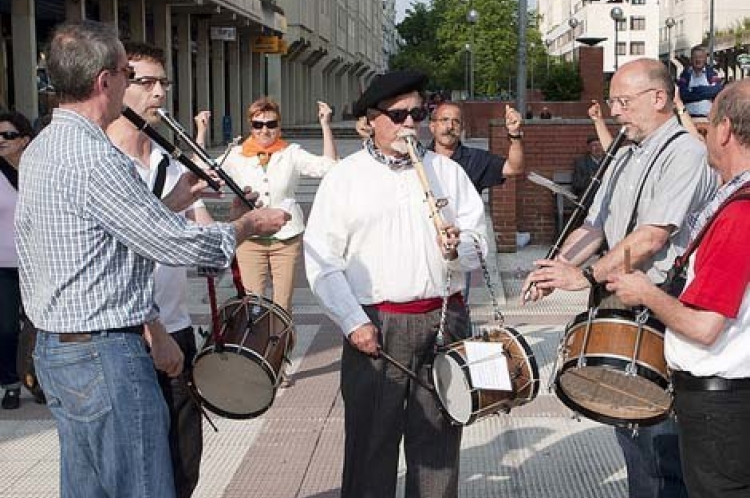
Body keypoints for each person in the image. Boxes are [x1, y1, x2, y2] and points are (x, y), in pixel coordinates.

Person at [15, 21, 289, 498]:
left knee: (88, 489)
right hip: (105, 354)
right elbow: (175, 246)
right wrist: (246, 226)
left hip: (61, 349)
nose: (144, 88)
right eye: (129, 74)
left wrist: (174, 202)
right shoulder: (95, 157)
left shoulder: (43, 147)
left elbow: (104, 246)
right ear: (105, 82)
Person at [521, 58, 717, 498]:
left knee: (659, 440)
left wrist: (585, 275)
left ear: (659, 99)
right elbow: (594, 226)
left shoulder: (685, 152)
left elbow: (650, 238)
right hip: (621, 300)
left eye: (624, 103)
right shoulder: (625, 153)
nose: (616, 113)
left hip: (662, 305)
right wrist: (553, 268)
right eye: (613, 103)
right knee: (628, 428)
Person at [304, 69, 487, 498]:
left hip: (443, 320)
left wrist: (458, 248)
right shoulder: (344, 178)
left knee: (438, 441)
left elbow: (480, 244)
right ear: (372, 119)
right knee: (371, 443)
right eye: (399, 115)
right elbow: (322, 261)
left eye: (418, 113)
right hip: (376, 325)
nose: (411, 124)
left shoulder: (447, 172)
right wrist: (353, 321)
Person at [607, 79, 750, 498]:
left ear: (724, 131)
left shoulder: (739, 215)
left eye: (707, 126)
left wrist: (646, 293)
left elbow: (706, 326)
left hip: (720, 408)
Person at [106, 41, 211, 498]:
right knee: (137, 473)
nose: (159, 93)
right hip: (128, 335)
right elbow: (119, 253)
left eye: (162, 82)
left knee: (184, 462)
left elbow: (197, 234)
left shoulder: (168, 159)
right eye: (145, 82)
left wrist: (237, 228)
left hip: (178, 325)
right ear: (114, 85)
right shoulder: (104, 162)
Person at [221, 97, 338, 313]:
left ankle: (282, 347)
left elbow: (328, 167)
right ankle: (258, 346)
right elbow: (203, 169)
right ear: (250, 126)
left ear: (279, 126)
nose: (264, 130)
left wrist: (325, 125)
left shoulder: (291, 152)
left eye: (271, 124)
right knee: (252, 306)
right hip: (250, 237)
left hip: (286, 238)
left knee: (282, 306)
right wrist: (201, 132)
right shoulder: (236, 154)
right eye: (258, 125)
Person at [428, 101, 524, 301]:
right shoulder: (418, 158)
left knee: (456, 310)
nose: (449, 126)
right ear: (432, 126)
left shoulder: (475, 159)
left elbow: (514, 168)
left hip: (460, 248)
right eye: (444, 120)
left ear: (462, 128)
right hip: (425, 247)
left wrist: (514, 135)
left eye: (456, 122)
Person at [0, 111, 33, 410]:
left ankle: (37, 378)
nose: (1, 141)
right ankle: (10, 383)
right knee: (7, 328)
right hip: (3, 265)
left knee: (39, 326)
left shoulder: (38, 171)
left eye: (8, 135)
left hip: (38, 262)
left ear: (25, 139)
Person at [677, 45, 723, 118]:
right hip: (689, 118)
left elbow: (717, 90)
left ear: (705, 59)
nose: (698, 60)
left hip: (707, 118)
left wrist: (695, 90)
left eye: (701, 57)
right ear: (691, 59)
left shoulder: (712, 73)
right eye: (695, 57)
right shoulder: (685, 74)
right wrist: (706, 92)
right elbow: (683, 94)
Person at [570, 135, 605, 210]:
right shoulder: (581, 163)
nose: (598, 148)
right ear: (589, 148)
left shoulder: (609, 161)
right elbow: (577, 184)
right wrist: (591, 178)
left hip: (605, 197)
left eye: (600, 145)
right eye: (594, 145)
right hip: (589, 199)